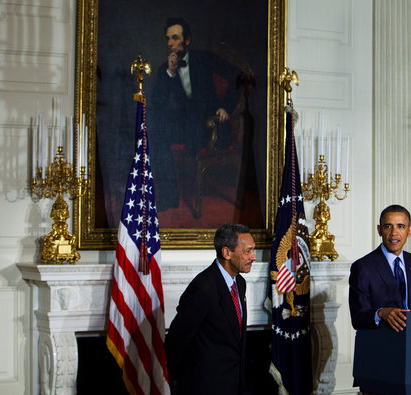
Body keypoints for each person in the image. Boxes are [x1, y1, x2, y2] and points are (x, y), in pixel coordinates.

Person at [149, 17, 238, 211]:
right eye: (168, 39)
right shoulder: (165, 68)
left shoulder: (204, 58)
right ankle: (171, 197)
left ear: (187, 40)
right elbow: (158, 103)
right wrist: (171, 73)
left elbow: (237, 75)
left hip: (210, 124)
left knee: (177, 127)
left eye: (175, 38)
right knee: (155, 133)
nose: (170, 43)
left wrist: (226, 107)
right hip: (187, 125)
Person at [165, 223, 256, 395]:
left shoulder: (240, 283)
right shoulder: (203, 287)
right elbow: (177, 339)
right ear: (227, 253)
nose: (253, 256)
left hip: (235, 383)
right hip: (206, 386)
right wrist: (176, 381)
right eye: (247, 251)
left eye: (253, 250)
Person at [349, 205, 411, 332]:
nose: (394, 233)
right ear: (379, 230)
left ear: (410, 231)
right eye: (388, 226)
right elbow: (358, 318)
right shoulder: (363, 267)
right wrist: (381, 313)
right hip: (381, 343)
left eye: (400, 226)